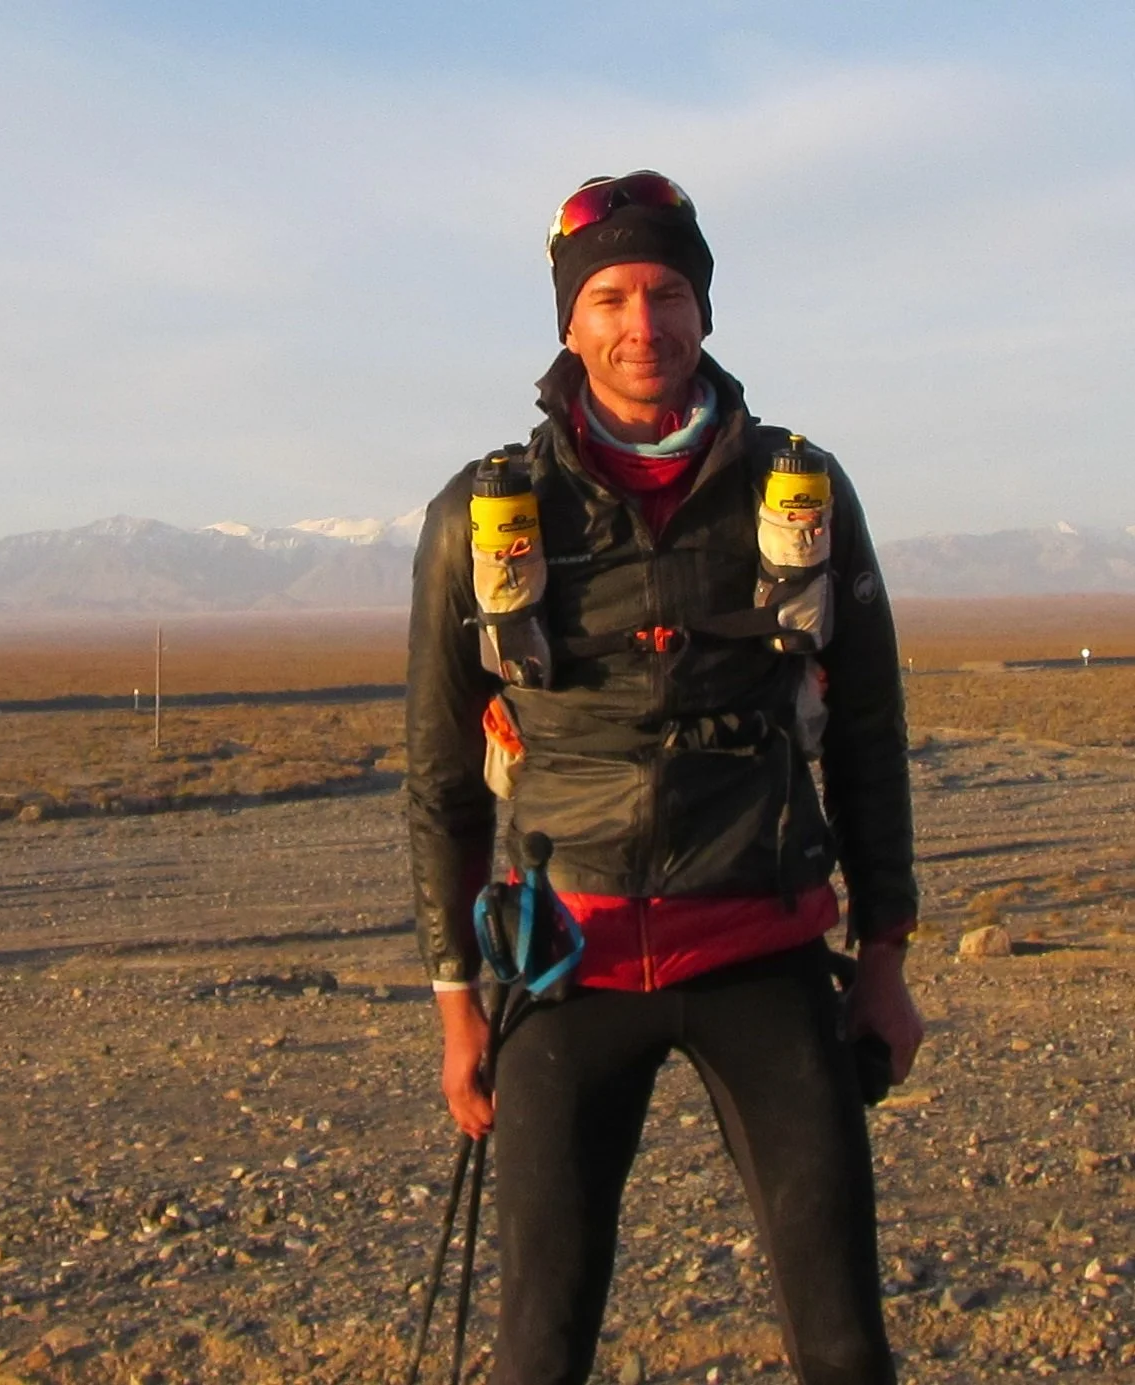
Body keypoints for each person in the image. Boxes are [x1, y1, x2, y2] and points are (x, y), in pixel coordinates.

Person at [406, 171, 923, 1385]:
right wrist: (455, 1005)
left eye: (671, 291)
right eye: (615, 297)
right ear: (569, 322)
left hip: (764, 948)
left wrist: (886, 960)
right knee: (540, 1347)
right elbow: (440, 780)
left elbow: (870, 733)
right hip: (563, 963)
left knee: (845, 1344)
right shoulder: (483, 515)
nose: (646, 325)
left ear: (704, 308)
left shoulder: (801, 489)